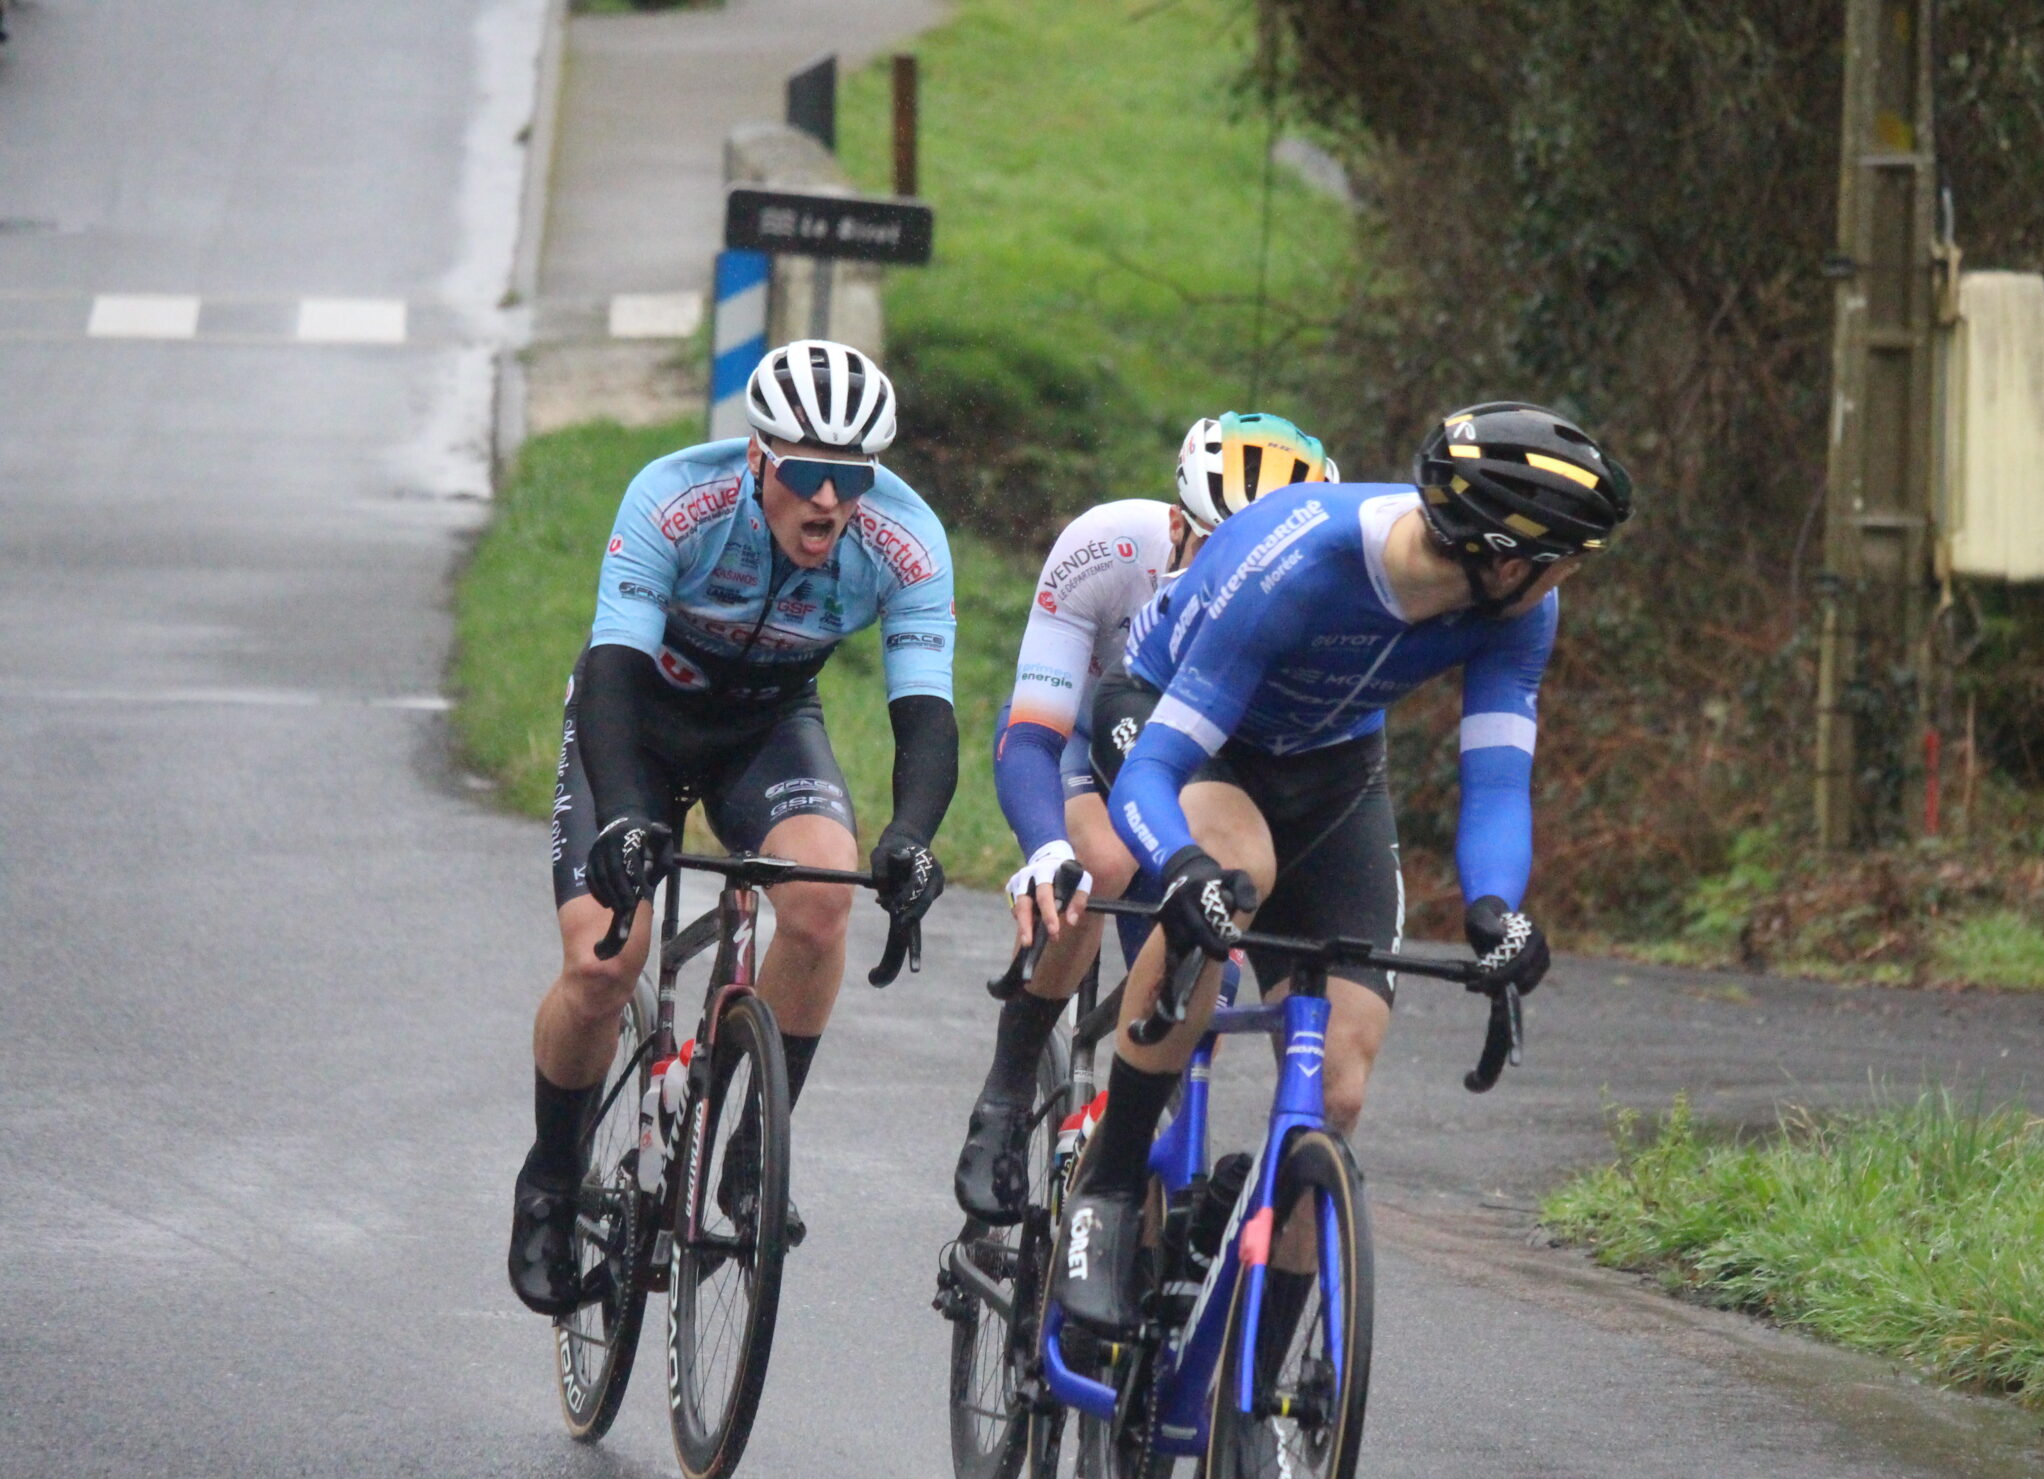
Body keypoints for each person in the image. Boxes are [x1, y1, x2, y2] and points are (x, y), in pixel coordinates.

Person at [1051, 399, 1634, 1342]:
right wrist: (1184, 867)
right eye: (1567, 560)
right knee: (1235, 865)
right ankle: (1109, 1188)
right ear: (1504, 559)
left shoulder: (1524, 608)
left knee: (1338, 1089)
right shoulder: (1297, 564)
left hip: (1333, 771)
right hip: (1183, 731)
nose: (1569, 579)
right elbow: (1155, 768)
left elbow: (1496, 779)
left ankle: (1253, 1389)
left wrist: (1497, 908)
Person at [506, 338, 960, 1316]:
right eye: (806, 474)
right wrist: (624, 816)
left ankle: (753, 1152)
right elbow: (614, 671)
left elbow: (925, 712)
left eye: (851, 477)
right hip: (642, 719)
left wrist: (914, 835)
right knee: (601, 964)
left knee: (823, 898)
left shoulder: (906, 540)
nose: (829, 500)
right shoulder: (675, 499)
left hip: (765, 729)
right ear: (758, 457)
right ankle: (550, 1179)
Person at [951, 412, 1337, 1224]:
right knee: (1096, 866)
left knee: (1206, 964)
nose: (1235, 578)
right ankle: (1007, 1089)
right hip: (1083, 730)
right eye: (1218, 550)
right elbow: (1034, 732)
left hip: (1194, 764)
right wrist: (1046, 848)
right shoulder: (1108, 548)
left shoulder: (1310, 598)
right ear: (1176, 525)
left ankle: (1146, 1191)